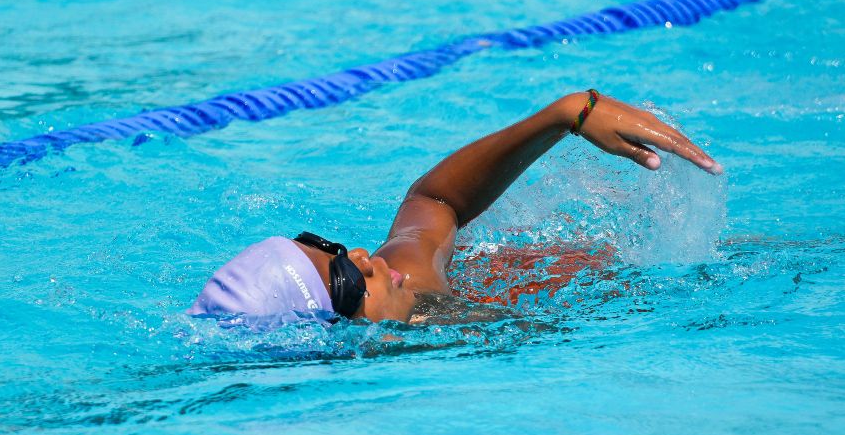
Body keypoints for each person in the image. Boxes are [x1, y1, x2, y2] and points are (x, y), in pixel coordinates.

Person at [187, 89, 722, 326]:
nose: (366, 258)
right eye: (348, 280)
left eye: (338, 252)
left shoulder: (406, 280)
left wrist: (567, 115)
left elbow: (434, 200)